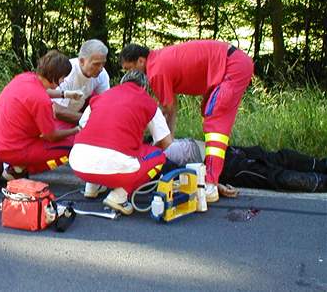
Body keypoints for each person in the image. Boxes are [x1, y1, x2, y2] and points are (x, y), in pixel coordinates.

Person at [119, 40, 254, 202]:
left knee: (216, 122)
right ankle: (213, 175)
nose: (128, 74)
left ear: (141, 61)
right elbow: (170, 108)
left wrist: (165, 145)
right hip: (233, 62)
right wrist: (168, 141)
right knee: (209, 112)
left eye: (129, 68)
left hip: (232, 65)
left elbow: (168, 110)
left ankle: (210, 184)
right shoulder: (158, 61)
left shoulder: (155, 72)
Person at [69, 70, 172, 215]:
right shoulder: (148, 102)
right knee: (158, 156)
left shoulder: (101, 96)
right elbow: (166, 142)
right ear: (144, 87)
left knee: (97, 143)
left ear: (122, 82)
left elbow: (83, 125)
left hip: (78, 163)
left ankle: (92, 187)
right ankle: (119, 196)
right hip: (115, 166)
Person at [0, 50, 80, 180]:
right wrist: (76, 130)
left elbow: (41, 91)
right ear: (56, 75)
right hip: (11, 149)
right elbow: (51, 136)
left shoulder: (25, 78)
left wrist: (65, 94)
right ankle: (19, 168)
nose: (63, 80)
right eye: (63, 77)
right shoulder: (41, 101)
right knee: (71, 146)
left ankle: (17, 166)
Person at [164, 138, 327, 193]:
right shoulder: (153, 159)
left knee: (279, 162)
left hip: (222, 153)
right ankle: (321, 181)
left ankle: (321, 170)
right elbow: (178, 177)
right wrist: (214, 184)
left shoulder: (153, 142)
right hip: (223, 165)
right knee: (273, 173)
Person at [48, 39, 110, 125]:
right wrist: (89, 119)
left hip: (77, 116)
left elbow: (105, 102)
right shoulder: (66, 73)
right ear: (81, 61)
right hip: (53, 119)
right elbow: (57, 111)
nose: (100, 68)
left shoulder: (102, 74)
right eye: (96, 64)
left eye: (103, 64)